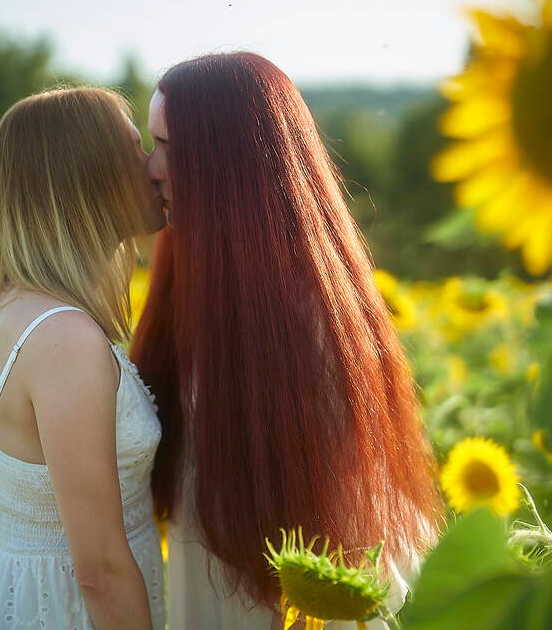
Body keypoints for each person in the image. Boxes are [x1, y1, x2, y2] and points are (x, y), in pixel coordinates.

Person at [131, 52, 443, 629]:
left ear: (225, 165)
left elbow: (312, 531)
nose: (151, 168)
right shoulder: (200, 276)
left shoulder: (292, 316)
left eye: (170, 148)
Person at [0, 87, 167, 630]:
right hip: (65, 611)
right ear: (87, 176)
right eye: (135, 148)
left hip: (9, 593)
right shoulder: (64, 340)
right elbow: (100, 570)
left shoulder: (11, 303)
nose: (153, 166)